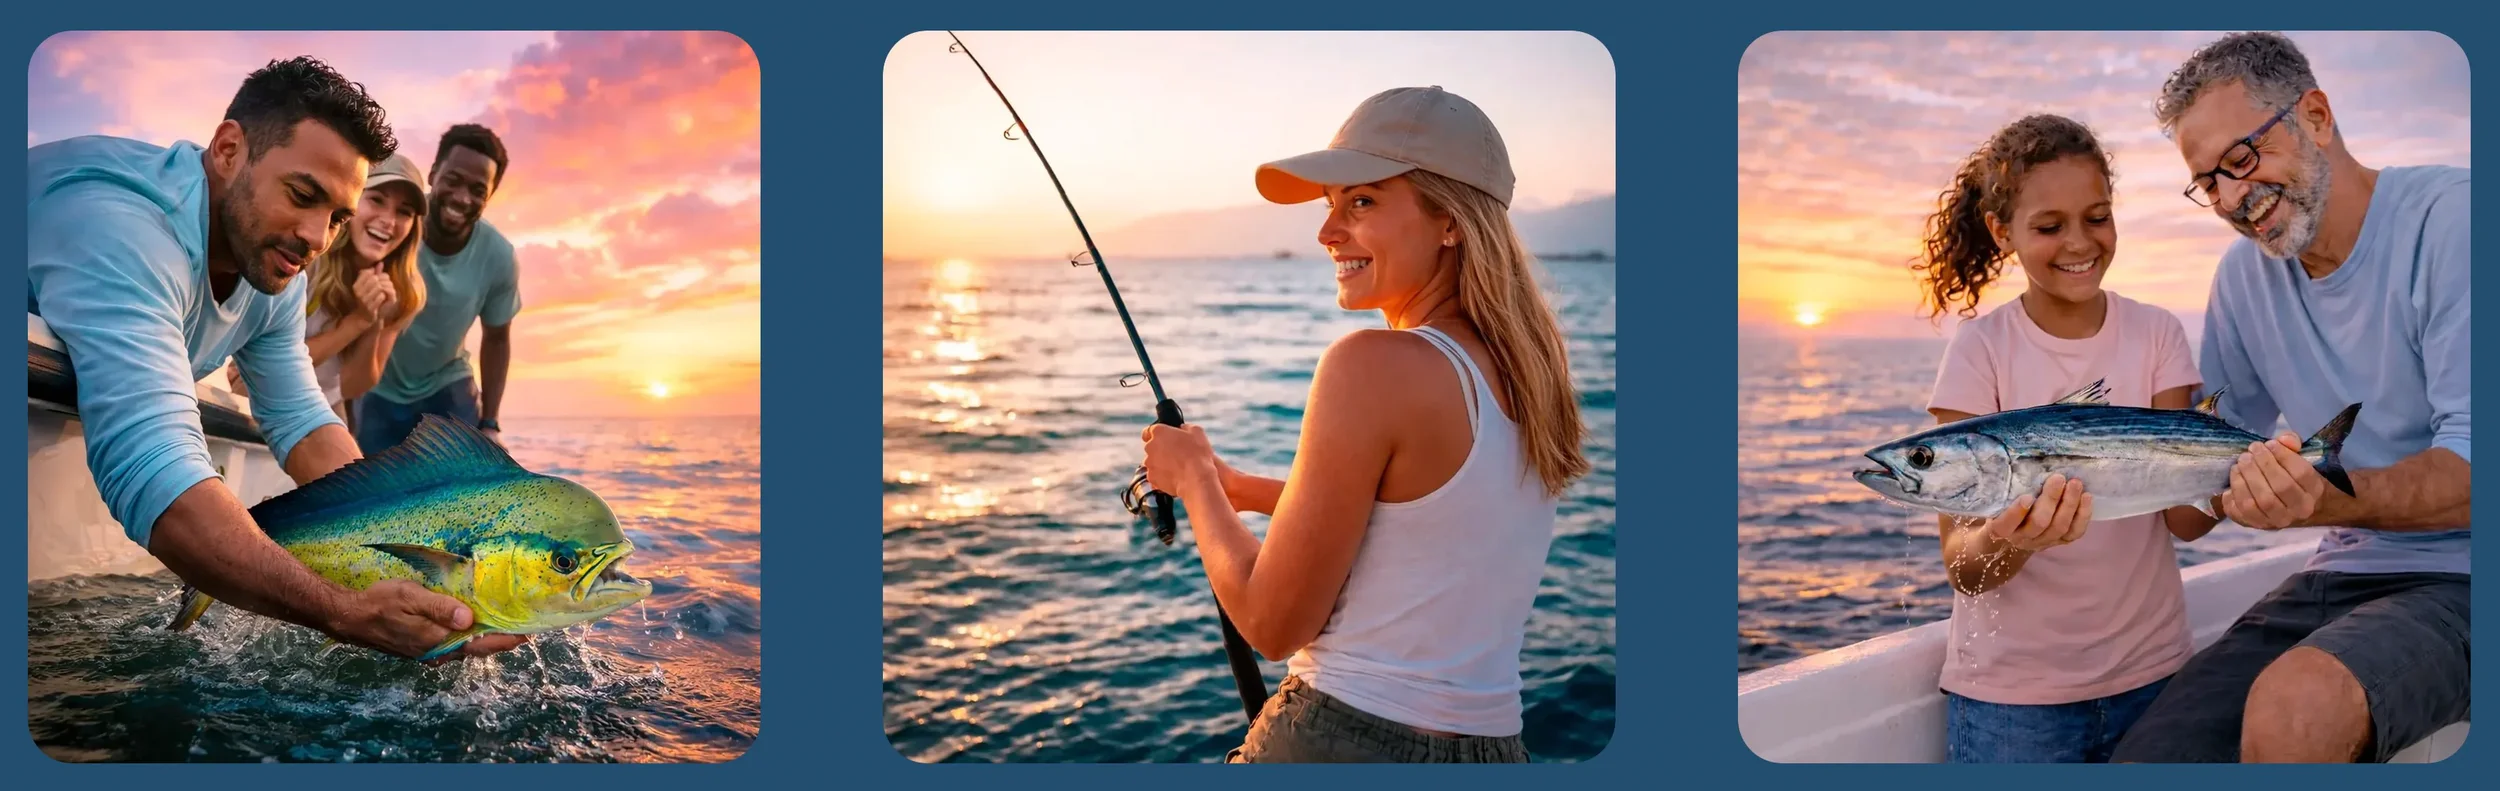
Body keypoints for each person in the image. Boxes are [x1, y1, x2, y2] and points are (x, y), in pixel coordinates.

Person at [1137, 86, 1590, 763]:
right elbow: (1429, 520)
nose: (1327, 232)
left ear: (1450, 221)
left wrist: (1197, 481)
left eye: (1362, 202)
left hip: (1344, 739)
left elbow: (1272, 624)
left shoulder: (1370, 364)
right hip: (1497, 748)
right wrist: (1242, 489)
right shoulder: (1529, 374)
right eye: (1330, 205)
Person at [26, 56, 524, 662]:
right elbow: (154, 468)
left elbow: (302, 421)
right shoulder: (121, 226)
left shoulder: (276, 273)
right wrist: (346, 612)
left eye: (337, 217)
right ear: (228, 150)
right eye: (302, 195)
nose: (317, 238)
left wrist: (414, 563)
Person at [2109, 31, 2470, 764]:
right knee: (2150, 755)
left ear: (2316, 116)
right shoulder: (2241, 279)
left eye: (2241, 159)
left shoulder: (2457, 222)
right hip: (2341, 573)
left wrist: (2314, 499)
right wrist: (2070, 468)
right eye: (2207, 182)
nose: (2231, 199)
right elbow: (2193, 511)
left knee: (2297, 706)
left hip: (2467, 576)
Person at [1909, 113, 2217, 763]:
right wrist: (2013, 538)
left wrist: (2243, 478)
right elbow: (1965, 568)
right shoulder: (1980, 350)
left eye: (2097, 217)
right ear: (2003, 232)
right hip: (2013, 701)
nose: (2079, 242)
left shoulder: (2158, 333)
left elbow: (2187, 521)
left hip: (2156, 675)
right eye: (2049, 226)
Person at [354, 123, 520, 454]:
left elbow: (497, 337)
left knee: (467, 476)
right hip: (377, 384)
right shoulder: (392, 228)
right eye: (453, 180)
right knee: (366, 479)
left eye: (477, 189)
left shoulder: (499, 256)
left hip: (447, 384)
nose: (462, 197)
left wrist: (490, 423)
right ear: (433, 174)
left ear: (489, 196)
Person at [235, 152, 431, 428]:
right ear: (351, 201)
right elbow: (247, 379)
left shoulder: (403, 291)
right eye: (376, 200)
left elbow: (352, 387)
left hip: (322, 410)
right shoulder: (304, 259)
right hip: (261, 403)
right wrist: (355, 322)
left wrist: (373, 320)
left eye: (404, 212)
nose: (389, 220)